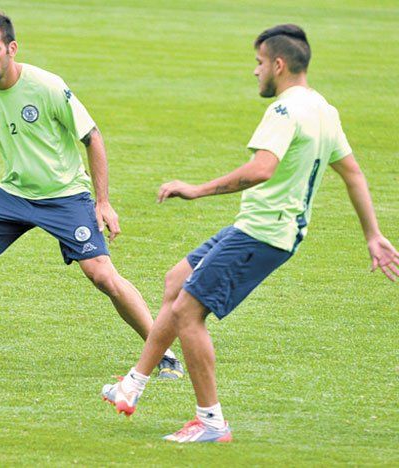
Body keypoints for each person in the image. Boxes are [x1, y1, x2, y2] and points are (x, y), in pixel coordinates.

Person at [101, 24, 399, 443]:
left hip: (264, 232)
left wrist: (197, 189)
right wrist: (373, 234)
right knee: (177, 280)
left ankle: (210, 421)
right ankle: (132, 384)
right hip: (261, 227)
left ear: (278, 64)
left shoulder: (285, 111)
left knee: (188, 313)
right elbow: (352, 173)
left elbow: (262, 169)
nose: (255, 71)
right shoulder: (323, 110)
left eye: (259, 63)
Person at [0, 11, 183, 378]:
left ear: (12, 49)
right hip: (15, 192)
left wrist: (103, 201)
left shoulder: (46, 86)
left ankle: (164, 353)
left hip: (65, 194)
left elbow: (92, 137)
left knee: (102, 276)